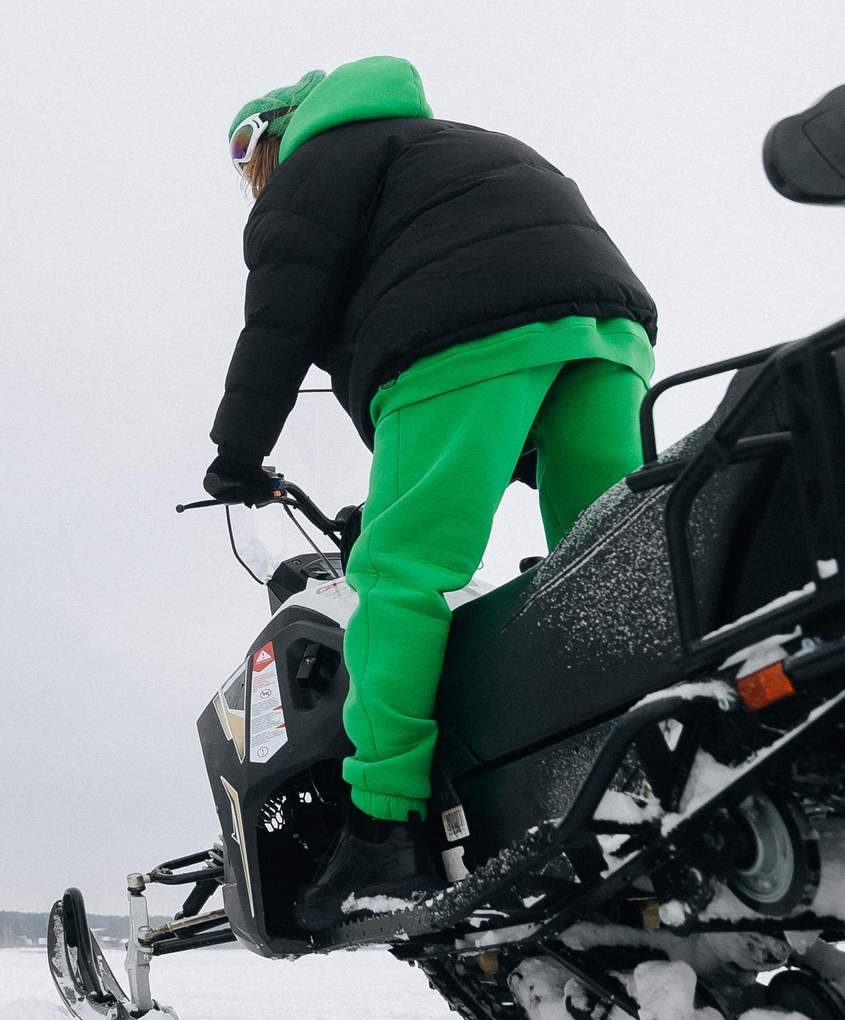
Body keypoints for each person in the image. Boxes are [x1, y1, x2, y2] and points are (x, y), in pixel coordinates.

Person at [204, 58, 657, 928]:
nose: (246, 169)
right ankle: (638, 764)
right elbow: (528, 300)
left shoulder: (317, 162)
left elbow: (280, 319)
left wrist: (236, 452)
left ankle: (383, 835)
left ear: (281, 126)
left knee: (405, 574)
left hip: (460, 338)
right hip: (607, 335)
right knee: (604, 554)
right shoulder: (459, 147)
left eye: (244, 144)